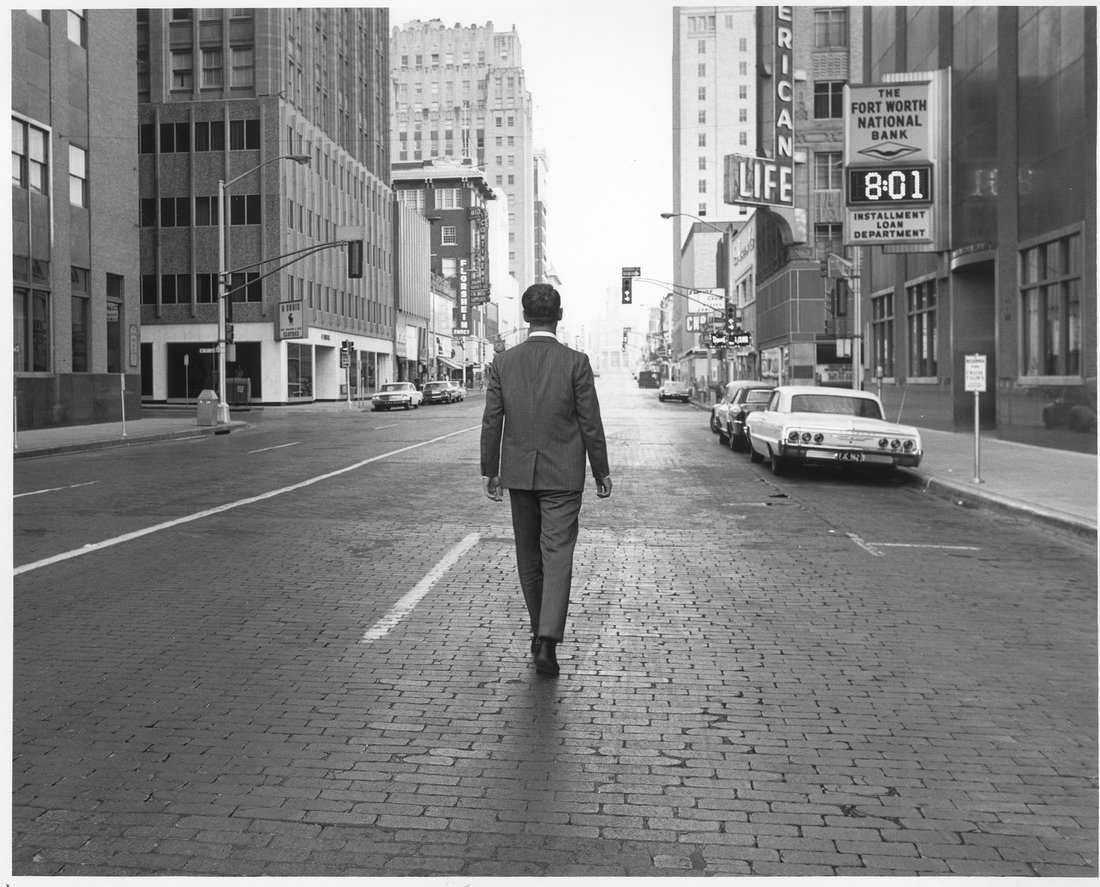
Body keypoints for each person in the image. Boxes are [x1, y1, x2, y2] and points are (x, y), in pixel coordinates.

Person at [480, 284, 612, 676]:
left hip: (519, 473)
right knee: (558, 557)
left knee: (529, 558)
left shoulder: (504, 363)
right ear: (559, 315)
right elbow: (590, 421)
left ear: (525, 316)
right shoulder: (576, 361)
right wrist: (600, 469)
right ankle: (548, 641)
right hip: (563, 475)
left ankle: (539, 632)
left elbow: (492, 419)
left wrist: (491, 469)